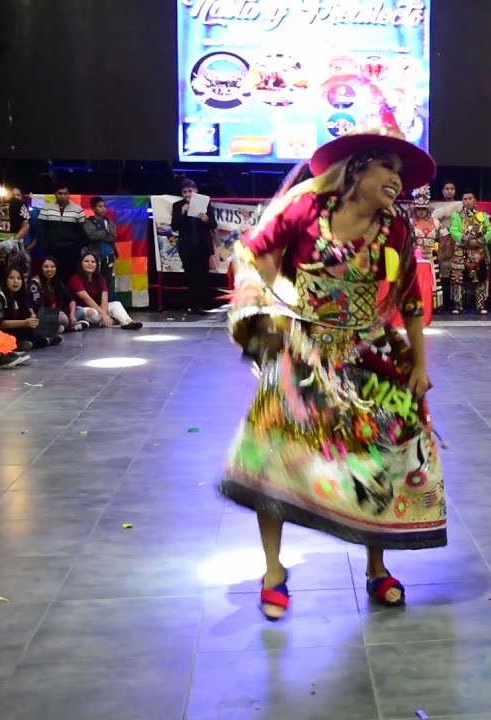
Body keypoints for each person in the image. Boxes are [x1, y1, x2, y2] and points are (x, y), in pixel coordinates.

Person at [220, 117, 444, 620]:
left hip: (370, 357)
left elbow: (409, 299)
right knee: (274, 454)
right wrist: (268, 307)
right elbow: (254, 255)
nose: (397, 179)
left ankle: (376, 566)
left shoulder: (399, 227)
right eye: (387, 166)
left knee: (380, 460)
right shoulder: (305, 207)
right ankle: (274, 570)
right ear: (356, 169)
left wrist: (419, 364)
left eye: (401, 171)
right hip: (305, 353)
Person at [171, 180, 219, 313]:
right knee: (190, 276)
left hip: (202, 246)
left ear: (196, 191)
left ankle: (200, 305)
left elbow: (214, 224)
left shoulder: (205, 204)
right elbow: (174, 226)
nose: (188, 194)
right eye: (185, 192)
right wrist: (182, 213)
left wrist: (206, 220)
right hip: (187, 247)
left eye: (190, 191)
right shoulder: (177, 206)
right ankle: (192, 305)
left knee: (202, 277)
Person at [0, 267, 62, 348]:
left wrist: (32, 318)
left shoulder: (19, 295)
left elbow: (26, 314)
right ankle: (23, 343)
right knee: (31, 334)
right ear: (5, 279)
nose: (15, 281)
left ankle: (24, 342)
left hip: (17, 329)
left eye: (19, 278)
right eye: (11, 278)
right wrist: (24, 323)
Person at [67, 251, 143, 329]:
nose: (90, 264)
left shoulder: (100, 278)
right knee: (92, 312)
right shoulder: (75, 279)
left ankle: (127, 322)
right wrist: (103, 314)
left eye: (93, 262)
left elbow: (104, 297)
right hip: (82, 309)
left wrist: (104, 313)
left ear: (96, 265)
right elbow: (87, 299)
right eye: (86, 261)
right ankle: (110, 321)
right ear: (81, 264)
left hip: (98, 309)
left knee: (116, 304)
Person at [447, 191, 491, 314]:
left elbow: (490, 229)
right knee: (458, 279)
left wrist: (480, 240)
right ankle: (458, 305)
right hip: (461, 250)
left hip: (479, 250)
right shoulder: (457, 215)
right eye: (465, 199)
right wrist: (467, 240)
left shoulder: (482, 215)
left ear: (475, 200)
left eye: (470, 198)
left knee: (481, 278)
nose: (467, 201)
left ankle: (480, 305)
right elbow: (454, 230)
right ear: (462, 201)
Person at [409, 186, 443, 309]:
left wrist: (440, 250)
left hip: (432, 255)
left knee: (432, 279)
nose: (421, 212)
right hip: (416, 256)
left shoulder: (435, 222)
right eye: (419, 209)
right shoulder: (410, 222)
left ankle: (432, 305)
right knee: (416, 279)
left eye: (423, 209)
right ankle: (417, 303)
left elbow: (445, 237)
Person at [83, 196, 118, 294]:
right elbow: (91, 236)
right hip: (94, 255)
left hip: (109, 254)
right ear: (93, 209)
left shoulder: (110, 222)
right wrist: (105, 232)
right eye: (100, 206)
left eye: (104, 206)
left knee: (107, 280)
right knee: (94, 279)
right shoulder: (88, 222)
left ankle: (107, 303)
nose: (103, 209)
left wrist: (101, 233)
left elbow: (113, 237)